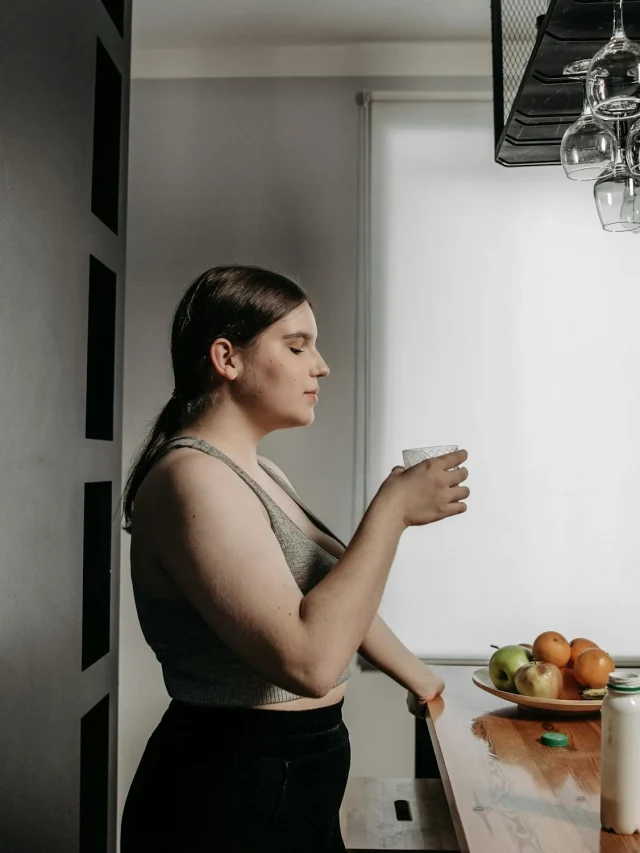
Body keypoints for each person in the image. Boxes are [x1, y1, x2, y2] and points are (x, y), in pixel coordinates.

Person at [119, 265, 469, 853]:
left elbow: (334, 596)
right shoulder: (193, 480)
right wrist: (390, 513)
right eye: (297, 345)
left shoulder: (258, 472)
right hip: (229, 787)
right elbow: (309, 661)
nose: (321, 366)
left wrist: (426, 682)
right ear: (227, 358)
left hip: (291, 773)